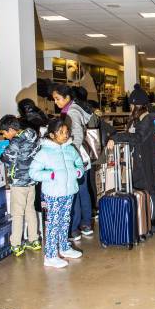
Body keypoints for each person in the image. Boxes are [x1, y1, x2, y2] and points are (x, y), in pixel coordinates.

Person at [107, 84, 155, 233]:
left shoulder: (148, 119)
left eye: (132, 104)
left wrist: (117, 137)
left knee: (149, 190)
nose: (131, 107)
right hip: (145, 160)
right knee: (147, 190)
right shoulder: (144, 118)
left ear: (136, 104)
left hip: (149, 162)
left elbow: (138, 137)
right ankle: (148, 221)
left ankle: (151, 222)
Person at [29, 118, 84, 269]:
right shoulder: (44, 152)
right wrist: (50, 175)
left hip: (68, 191)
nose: (65, 135)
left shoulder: (70, 149)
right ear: (52, 135)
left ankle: (64, 247)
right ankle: (51, 255)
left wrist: (78, 171)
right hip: (53, 193)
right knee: (53, 223)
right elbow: (33, 172)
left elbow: (79, 163)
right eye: (61, 133)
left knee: (65, 220)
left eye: (67, 132)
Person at [51, 84, 93, 240]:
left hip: (75, 157)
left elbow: (76, 135)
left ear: (67, 97)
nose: (56, 102)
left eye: (57, 98)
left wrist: (69, 155)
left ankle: (74, 228)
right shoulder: (75, 109)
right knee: (82, 191)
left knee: (74, 192)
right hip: (82, 157)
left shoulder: (72, 112)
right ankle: (86, 224)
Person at [0, 115, 41, 257]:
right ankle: (34, 240)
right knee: (30, 209)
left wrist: (1, 156)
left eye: (4, 133)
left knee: (17, 213)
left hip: (18, 182)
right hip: (31, 180)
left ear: (11, 129)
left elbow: (6, 157)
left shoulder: (16, 140)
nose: (5, 136)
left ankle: (16, 244)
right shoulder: (32, 134)